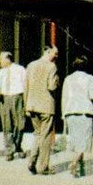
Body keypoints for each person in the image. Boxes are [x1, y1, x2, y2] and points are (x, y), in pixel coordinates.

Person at [62, 56, 93, 177]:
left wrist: (63, 114)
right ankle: (74, 163)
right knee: (84, 141)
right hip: (85, 111)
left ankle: (80, 167)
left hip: (70, 111)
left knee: (76, 140)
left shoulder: (68, 79)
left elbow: (65, 97)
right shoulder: (90, 78)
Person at [24, 45, 60, 175]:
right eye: (55, 54)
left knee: (38, 134)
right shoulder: (52, 67)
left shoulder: (31, 65)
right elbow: (52, 86)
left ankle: (32, 161)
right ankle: (43, 166)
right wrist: (57, 81)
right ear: (47, 51)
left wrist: (26, 105)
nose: (56, 56)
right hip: (46, 106)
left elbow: (26, 86)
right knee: (45, 137)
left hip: (32, 105)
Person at [0, 51, 26, 161]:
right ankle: (9, 150)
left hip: (18, 97)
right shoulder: (0, 73)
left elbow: (26, 84)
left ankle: (17, 145)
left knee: (20, 124)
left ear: (8, 59)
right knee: (7, 125)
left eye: (0, 59)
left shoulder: (20, 69)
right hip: (5, 98)